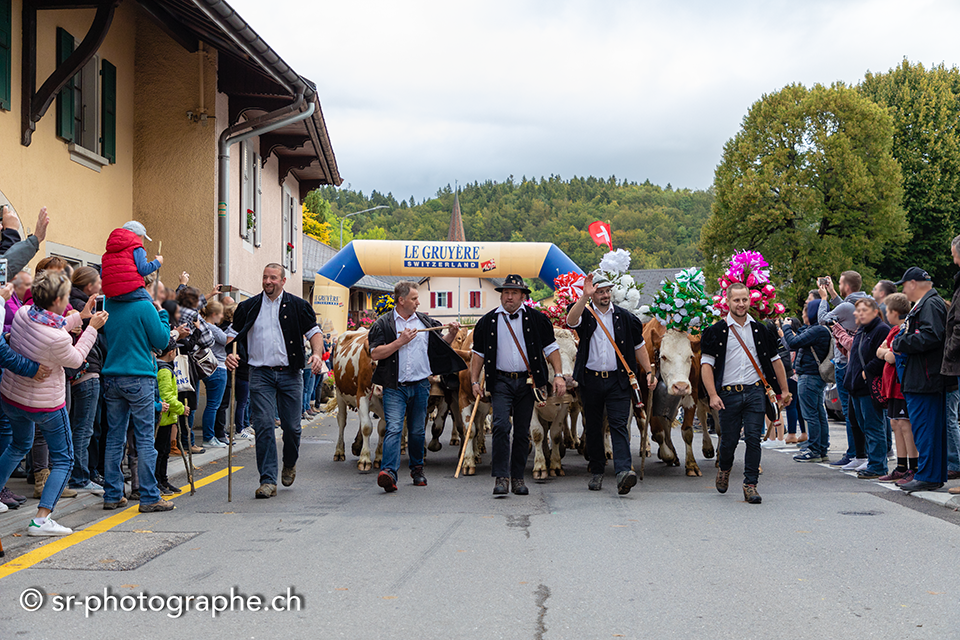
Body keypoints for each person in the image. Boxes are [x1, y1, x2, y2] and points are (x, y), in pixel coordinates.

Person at [0, 272, 101, 534]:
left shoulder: (24, 313)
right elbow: (76, 359)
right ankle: (41, 519)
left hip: (12, 395)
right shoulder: (58, 338)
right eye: (66, 296)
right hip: (45, 404)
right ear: (57, 300)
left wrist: (80, 317)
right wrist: (91, 329)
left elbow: (50, 327)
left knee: (19, 445)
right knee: (64, 458)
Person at [226, 264, 324, 499]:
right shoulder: (248, 307)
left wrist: (317, 354)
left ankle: (289, 462)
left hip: (290, 373)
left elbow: (314, 332)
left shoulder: (298, 305)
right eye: (265, 277)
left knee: (292, 427)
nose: (268, 281)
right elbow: (233, 333)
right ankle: (267, 480)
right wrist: (230, 352)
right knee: (263, 425)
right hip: (260, 374)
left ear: (283, 280)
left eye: (273, 278)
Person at [470, 274, 565, 496]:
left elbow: (551, 349)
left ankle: (518, 478)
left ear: (523, 296)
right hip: (500, 381)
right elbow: (478, 354)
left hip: (527, 382)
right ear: (501, 295)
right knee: (501, 426)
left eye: (514, 293)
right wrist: (474, 380)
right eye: (506, 292)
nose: (509, 297)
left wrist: (559, 375)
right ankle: (501, 477)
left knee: (522, 432)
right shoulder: (487, 321)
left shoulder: (537, 319)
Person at [368, 281, 466, 492]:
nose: (418, 302)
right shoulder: (383, 324)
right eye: (414, 299)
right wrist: (399, 342)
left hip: (421, 384)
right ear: (401, 300)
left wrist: (451, 333)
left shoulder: (425, 322)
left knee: (417, 431)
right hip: (395, 386)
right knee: (394, 428)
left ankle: (417, 469)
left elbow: (440, 346)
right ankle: (389, 473)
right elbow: (374, 353)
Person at [701, 283, 792, 505]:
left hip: (755, 392)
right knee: (729, 441)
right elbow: (706, 365)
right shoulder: (715, 331)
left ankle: (750, 484)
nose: (741, 304)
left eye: (744, 300)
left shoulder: (762, 330)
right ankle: (724, 468)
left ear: (750, 301)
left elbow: (775, 361)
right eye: (736, 300)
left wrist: (784, 390)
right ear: (727, 301)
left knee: (753, 438)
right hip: (728, 394)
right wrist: (712, 395)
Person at [565, 271, 653, 494]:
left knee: (619, 425)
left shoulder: (626, 317)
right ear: (593, 294)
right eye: (600, 292)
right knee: (593, 427)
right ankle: (597, 470)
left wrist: (649, 371)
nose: (605, 295)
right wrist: (585, 296)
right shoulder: (584, 314)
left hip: (618, 380)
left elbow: (639, 346)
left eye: (607, 291)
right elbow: (571, 321)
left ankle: (623, 473)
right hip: (590, 380)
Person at [100, 273, 174, 512]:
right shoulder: (144, 306)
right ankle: (149, 496)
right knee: (144, 438)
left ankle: (112, 494)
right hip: (139, 376)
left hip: (112, 375)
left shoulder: (109, 303)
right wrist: (163, 314)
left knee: (114, 437)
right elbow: (162, 341)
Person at [892, 267, 948, 493]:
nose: (904, 291)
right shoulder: (927, 304)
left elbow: (931, 336)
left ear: (913, 283)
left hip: (925, 378)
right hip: (923, 377)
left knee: (925, 430)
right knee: (927, 429)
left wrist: (900, 342)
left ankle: (927, 475)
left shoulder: (930, 304)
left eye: (905, 286)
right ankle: (932, 474)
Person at [66, 266, 106, 495]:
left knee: (79, 427)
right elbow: (88, 339)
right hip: (85, 370)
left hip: (80, 370)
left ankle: (78, 474)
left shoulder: (73, 304)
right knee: (83, 429)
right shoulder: (82, 308)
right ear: (89, 286)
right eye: (98, 281)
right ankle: (79, 477)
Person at [844, 298, 890, 479]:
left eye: (864, 310)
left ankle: (878, 465)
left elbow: (881, 357)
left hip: (868, 387)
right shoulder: (862, 330)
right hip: (856, 386)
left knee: (873, 426)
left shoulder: (881, 330)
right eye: (858, 310)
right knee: (864, 425)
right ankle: (873, 461)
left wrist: (866, 372)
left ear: (875, 311)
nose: (859, 313)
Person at [781, 302, 831, 461]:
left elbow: (793, 343)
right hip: (815, 376)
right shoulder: (819, 329)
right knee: (819, 413)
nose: (803, 315)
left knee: (811, 415)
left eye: (806, 311)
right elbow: (801, 335)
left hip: (809, 376)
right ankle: (821, 448)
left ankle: (814, 450)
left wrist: (786, 327)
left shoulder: (817, 330)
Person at [876, 293, 918, 484]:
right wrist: (885, 352)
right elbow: (880, 350)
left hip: (900, 385)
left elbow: (891, 356)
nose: (885, 314)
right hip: (891, 387)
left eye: (887, 311)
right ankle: (901, 466)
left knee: (905, 425)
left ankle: (913, 466)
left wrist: (886, 352)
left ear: (893, 312)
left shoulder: (904, 330)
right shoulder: (893, 330)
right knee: (895, 424)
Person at [100, 221, 162, 301]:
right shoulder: (137, 248)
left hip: (111, 293)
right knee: (150, 304)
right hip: (131, 289)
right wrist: (157, 262)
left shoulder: (109, 252)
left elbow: (102, 274)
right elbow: (143, 270)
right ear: (141, 236)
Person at [155, 340, 185, 496]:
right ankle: (157, 481)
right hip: (163, 418)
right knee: (160, 451)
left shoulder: (165, 369)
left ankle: (163, 479)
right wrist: (181, 408)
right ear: (171, 352)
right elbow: (166, 396)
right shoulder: (164, 371)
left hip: (168, 418)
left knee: (165, 451)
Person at [199, 300, 229, 448]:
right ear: (214, 314)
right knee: (213, 405)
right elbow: (227, 340)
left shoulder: (203, 325)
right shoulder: (213, 329)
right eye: (221, 314)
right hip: (218, 367)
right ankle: (209, 437)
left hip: (209, 368)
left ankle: (210, 436)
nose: (222, 317)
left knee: (212, 405)